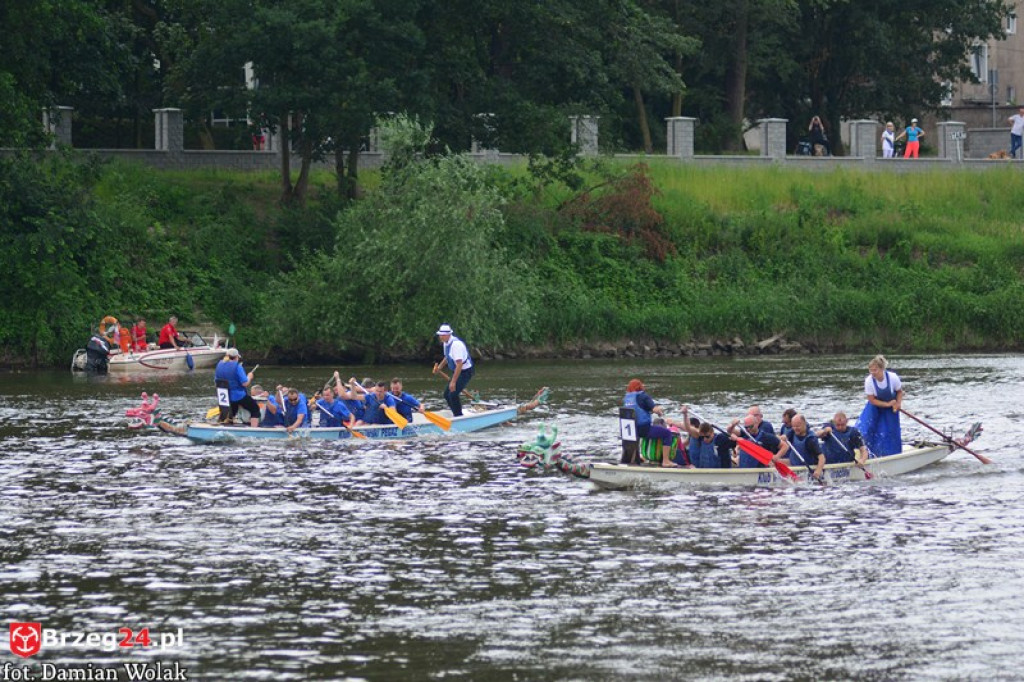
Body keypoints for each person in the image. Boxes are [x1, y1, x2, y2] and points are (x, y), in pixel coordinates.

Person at [623, 379, 680, 467]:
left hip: (630, 431)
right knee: (667, 433)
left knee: (638, 436)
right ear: (640, 387)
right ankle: (666, 461)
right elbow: (655, 409)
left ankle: (634, 459)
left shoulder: (626, 398)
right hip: (643, 429)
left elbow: (638, 409)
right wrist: (659, 410)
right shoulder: (643, 396)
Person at [858, 354, 904, 456]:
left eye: (875, 370)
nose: (872, 373)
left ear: (882, 369)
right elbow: (872, 400)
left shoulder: (893, 377)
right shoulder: (869, 381)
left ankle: (891, 454)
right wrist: (887, 404)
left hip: (891, 409)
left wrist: (898, 403)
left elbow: (900, 392)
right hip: (874, 407)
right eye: (871, 370)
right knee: (867, 428)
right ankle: (865, 452)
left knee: (890, 432)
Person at [436, 323, 474, 417]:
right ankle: (456, 413)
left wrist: (453, 382)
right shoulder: (446, 344)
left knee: (452, 394)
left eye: (443, 335)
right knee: (446, 395)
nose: (441, 337)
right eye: (440, 335)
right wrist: (440, 367)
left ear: (449, 334)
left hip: (465, 372)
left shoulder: (456, 345)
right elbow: (447, 357)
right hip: (457, 370)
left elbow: (459, 364)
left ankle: (459, 416)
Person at [214, 348, 259, 427]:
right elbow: (245, 383)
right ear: (236, 357)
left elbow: (216, 381)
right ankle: (254, 430)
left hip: (225, 397)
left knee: (231, 413)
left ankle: (226, 425)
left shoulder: (219, 365)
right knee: (255, 409)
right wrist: (249, 377)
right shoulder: (237, 366)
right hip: (238, 396)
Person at [779, 415, 825, 480]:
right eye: (793, 426)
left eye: (798, 426)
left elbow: (821, 457)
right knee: (774, 461)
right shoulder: (793, 432)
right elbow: (782, 438)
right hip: (793, 462)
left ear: (804, 424)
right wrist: (781, 438)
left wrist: (818, 471)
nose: (795, 428)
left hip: (805, 467)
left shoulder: (811, 439)